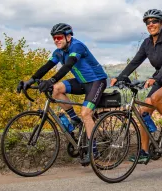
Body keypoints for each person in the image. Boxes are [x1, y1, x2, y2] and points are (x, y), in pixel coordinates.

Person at [17, 23, 107, 165]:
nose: (56, 40)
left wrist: (51, 80)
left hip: (97, 82)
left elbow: (68, 65)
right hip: (81, 82)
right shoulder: (58, 52)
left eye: (59, 37)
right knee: (56, 89)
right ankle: (74, 119)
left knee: (86, 113)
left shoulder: (77, 46)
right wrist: (31, 80)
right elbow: (47, 66)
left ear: (68, 37)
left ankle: (93, 150)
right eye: (54, 38)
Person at [110, 9, 162, 163]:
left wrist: (155, 78)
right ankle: (144, 152)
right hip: (161, 80)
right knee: (144, 112)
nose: (151, 24)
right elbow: (135, 62)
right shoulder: (146, 43)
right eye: (148, 22)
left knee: (156, 98)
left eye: (155, 21)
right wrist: (119, 77)